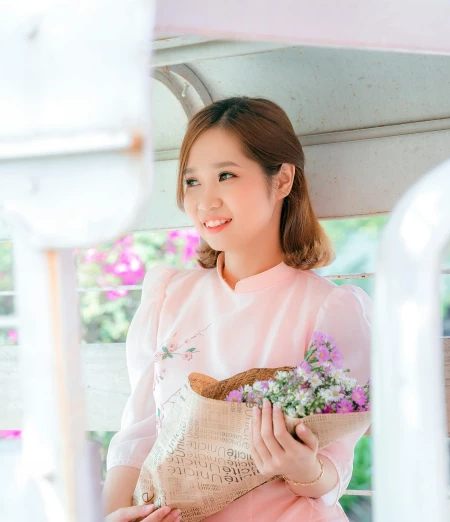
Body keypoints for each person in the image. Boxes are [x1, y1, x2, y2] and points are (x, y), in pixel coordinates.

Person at [103, 97, 372, 522]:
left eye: (225, 176)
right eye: (192, 182)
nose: (205, 201)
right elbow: (139, 438)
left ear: (282, 179)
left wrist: (304, 469)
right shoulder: (168, 296)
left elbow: (337, 460)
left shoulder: (330, 309)